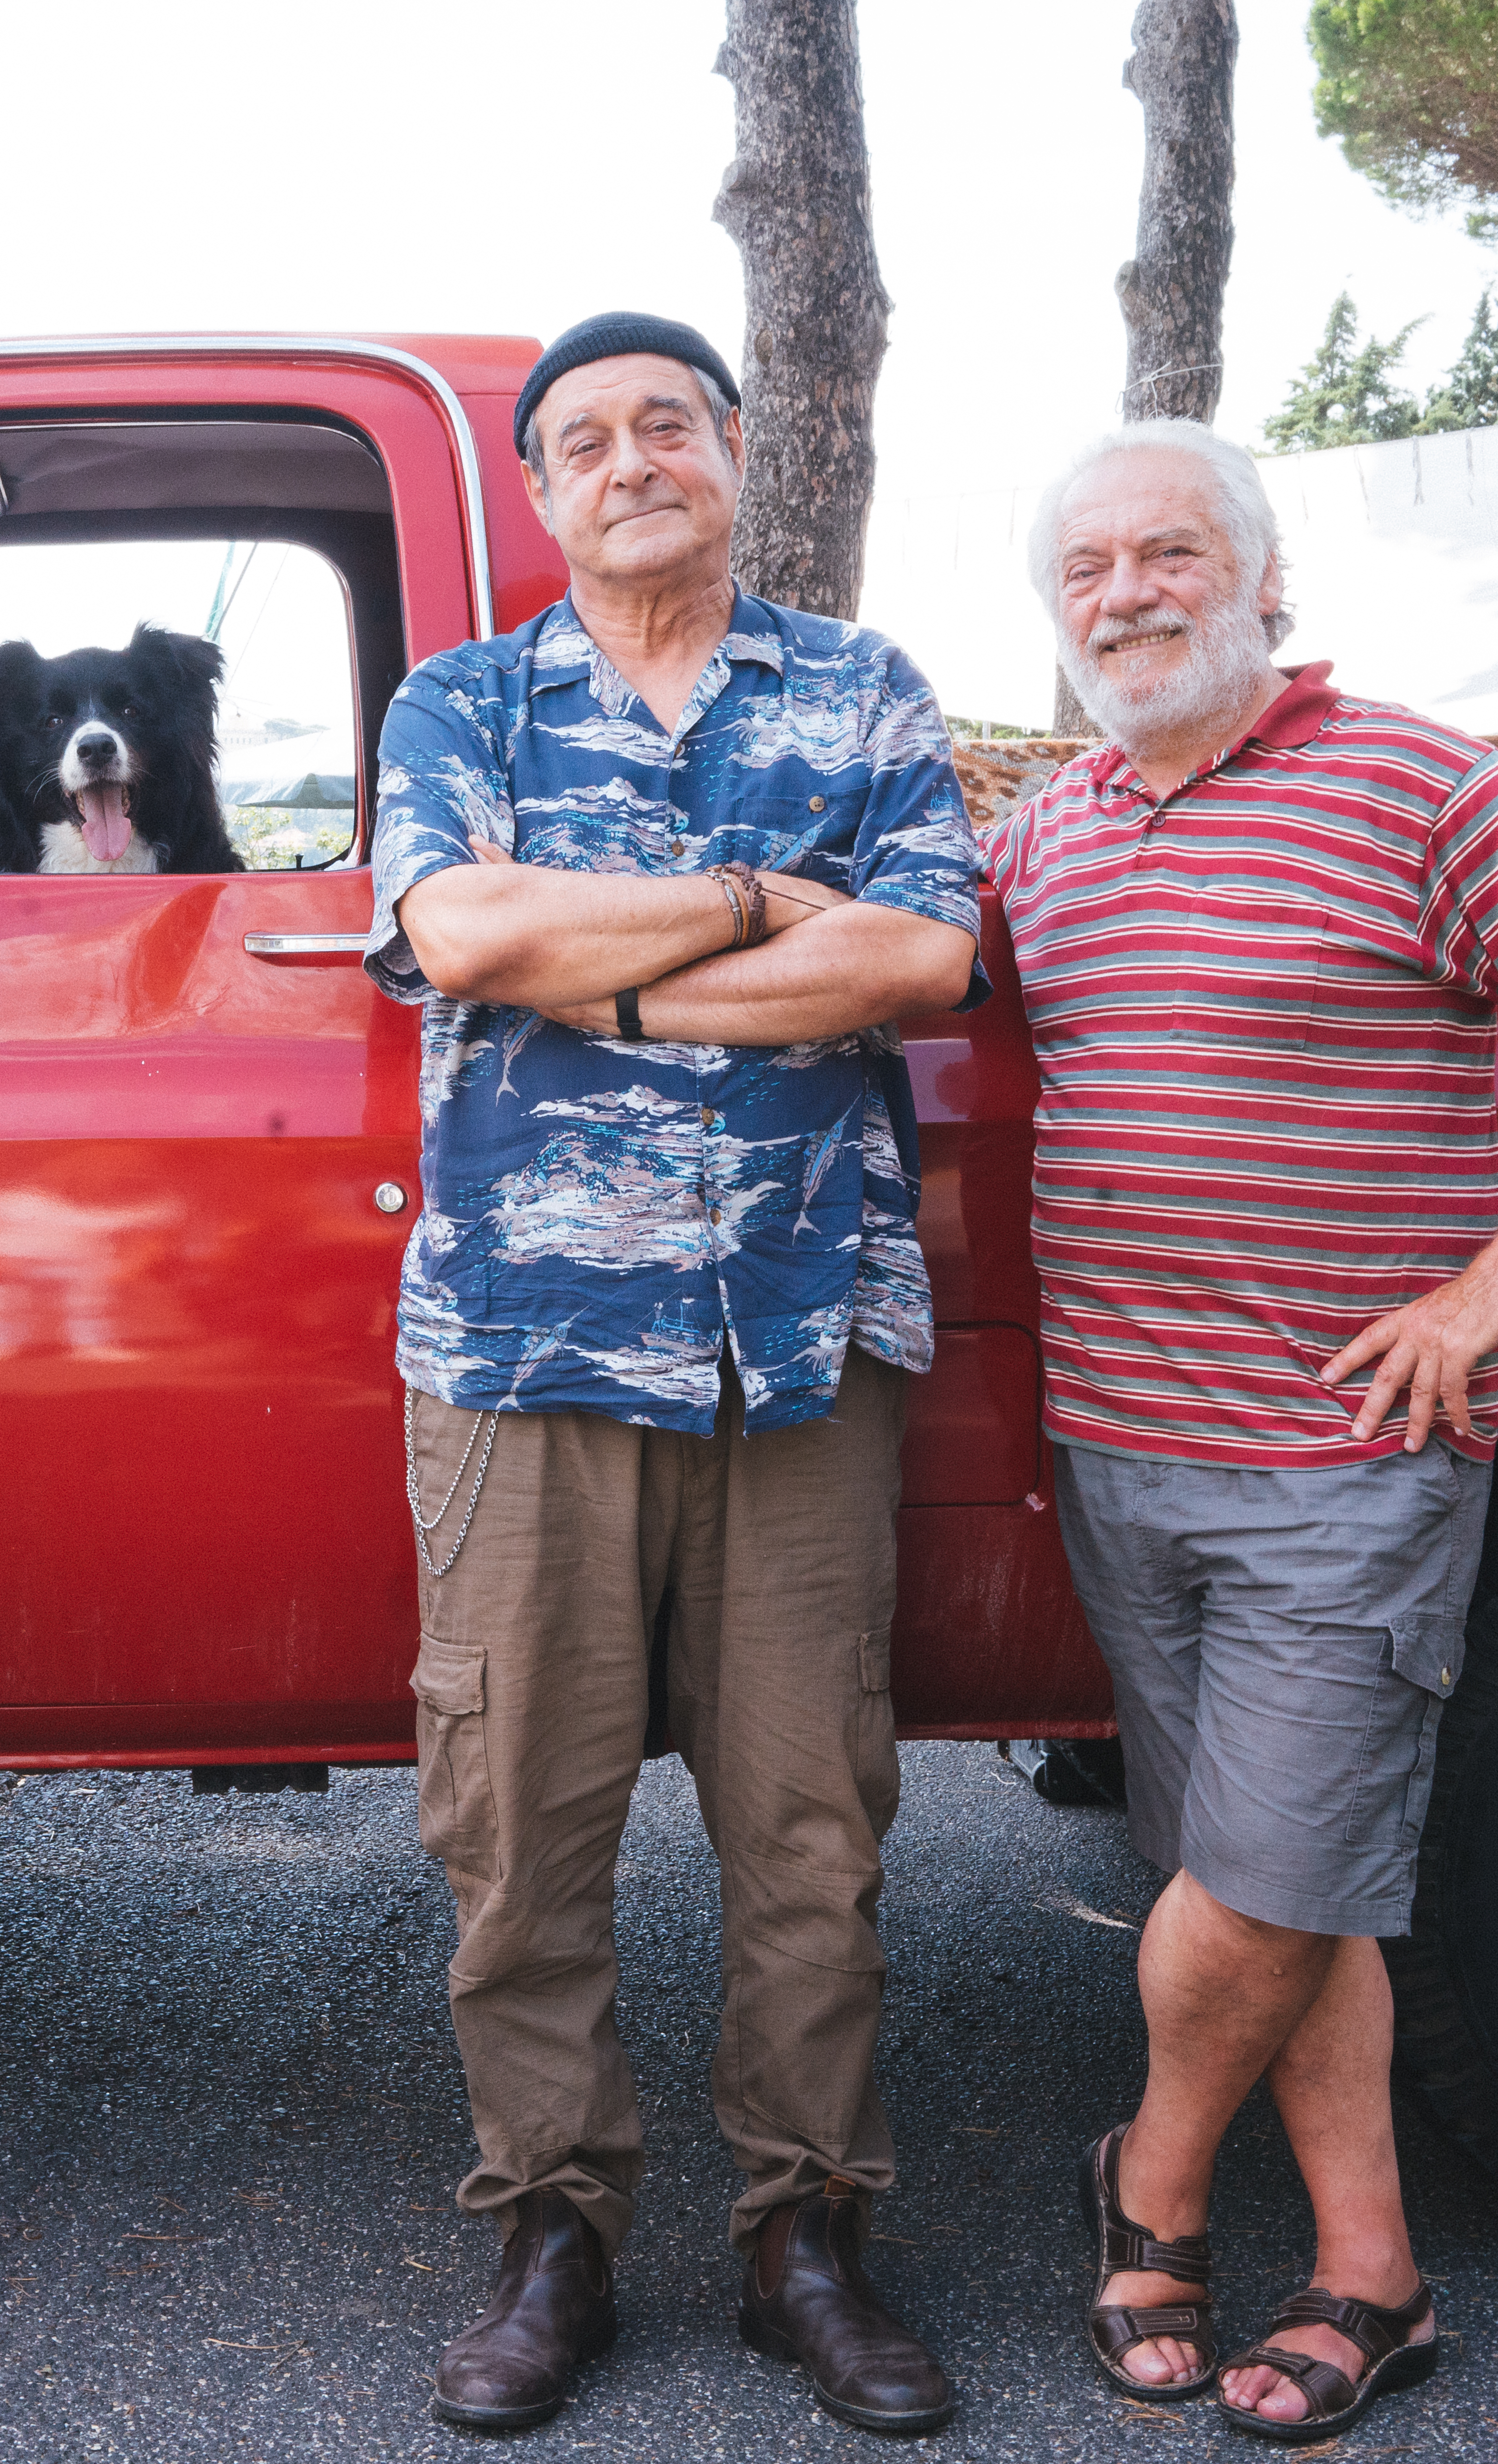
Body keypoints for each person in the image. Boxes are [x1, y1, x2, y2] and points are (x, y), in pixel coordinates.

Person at [987, 422, 1498, 2442]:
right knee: (1276, 1883)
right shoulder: (1048, 836)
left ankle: (1140, 2185)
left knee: (1259, 1880)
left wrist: (1497, 1284)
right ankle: (1372, 2270)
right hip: (1124, 1451)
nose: (1123, 596)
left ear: (1260, 579)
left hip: (1339, 1457)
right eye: (1086, 573)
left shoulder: (1407, 781)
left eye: (1165, 556)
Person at [372, 312, 987, 2438]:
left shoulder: (861, 686)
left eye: (666, 424)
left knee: (809, 1825)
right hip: (521, 1348)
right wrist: (740, 904)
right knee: (516, 1826)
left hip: (800, 1341)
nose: (627, 458)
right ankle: (550, 2227)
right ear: (538, 495)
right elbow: (463, 941)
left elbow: (915, 954)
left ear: (733, 455)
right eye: (580, 440)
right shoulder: (462, 698)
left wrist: (602, 977)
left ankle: (801, 2233)